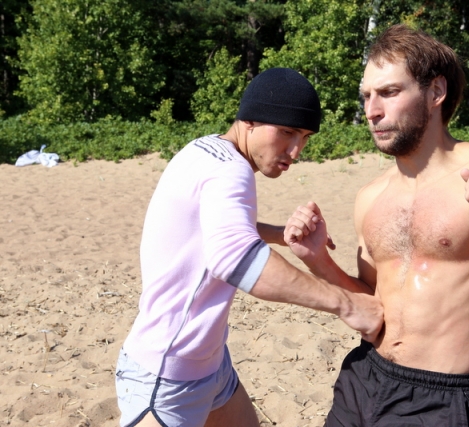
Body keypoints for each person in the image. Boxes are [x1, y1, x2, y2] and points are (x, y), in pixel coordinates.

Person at [285, 24, 469, 427]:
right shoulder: (371, 197)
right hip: (362, 379)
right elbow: (372, 310)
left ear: (436, 92)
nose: (372, 110)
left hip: (443, 400)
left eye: (389, 92)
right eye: (366, 96)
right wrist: (318, 260)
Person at [115, 67, 384, 427]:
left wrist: (279, 234)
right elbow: (233, 256)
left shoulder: (203, 150)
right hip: (167, 376)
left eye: (304, 137)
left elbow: (213, 228)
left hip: (210, 365)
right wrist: (347, 304)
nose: (295, 151)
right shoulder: (231, 170)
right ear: (250, 120)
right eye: (286, 132)